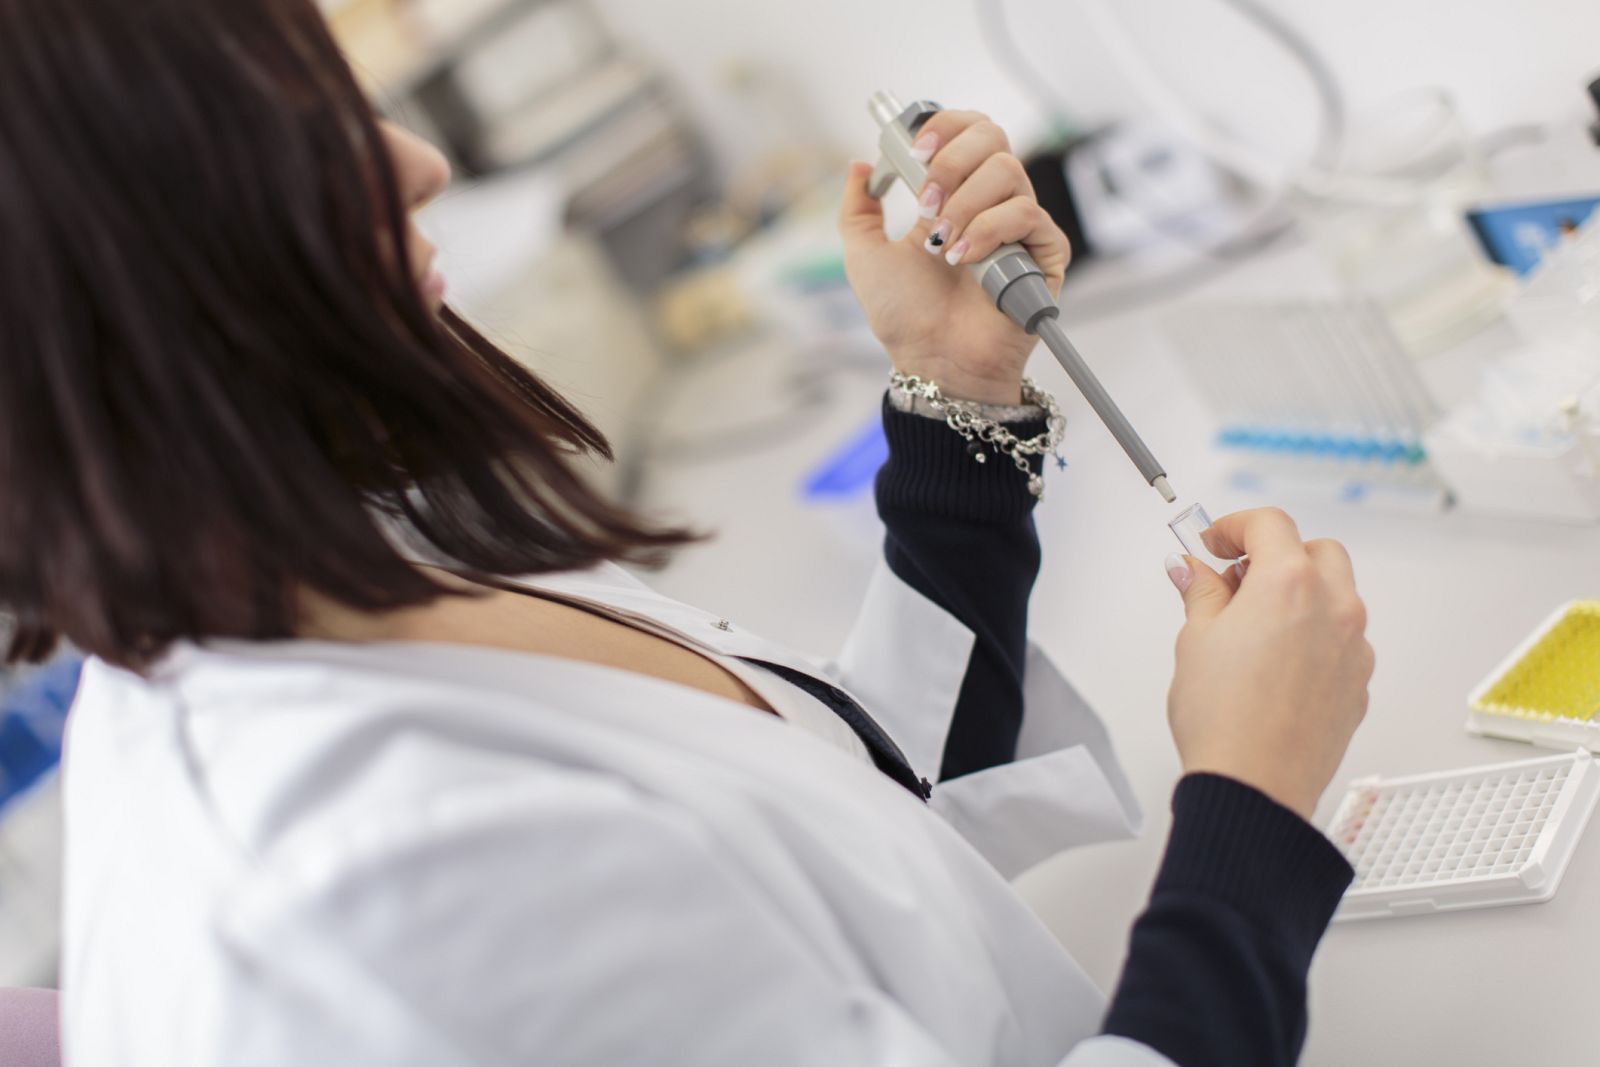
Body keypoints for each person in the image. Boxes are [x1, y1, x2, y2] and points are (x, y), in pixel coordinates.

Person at [0, 1, 1373, 1064]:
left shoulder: (358, 550)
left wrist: (958, 393)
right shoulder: (377, 879)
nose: (416, 161)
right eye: (290, 132)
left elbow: (852, 793)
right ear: (89, 283)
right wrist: (1251, 801)